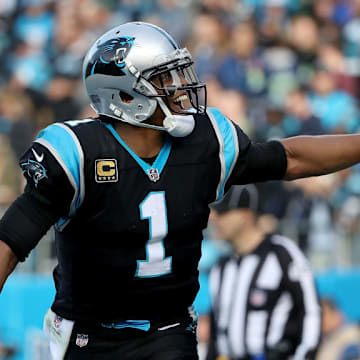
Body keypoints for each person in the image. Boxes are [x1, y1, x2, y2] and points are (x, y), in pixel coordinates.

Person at [1, 21, 360, 359]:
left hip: (168, 329)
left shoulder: (206, 141)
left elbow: (290, 158)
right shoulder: (78, 153)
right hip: (88, 334)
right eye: (164, 78)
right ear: (125, 96)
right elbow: (12, 240)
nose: (179, 86)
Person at [206, 184, 321, 360]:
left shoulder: (282, 255)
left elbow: (310, 311)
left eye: (222, 213)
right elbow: (216, 330)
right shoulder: (221, 266)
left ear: (245, 215)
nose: (214, 219)